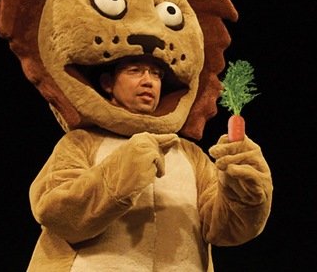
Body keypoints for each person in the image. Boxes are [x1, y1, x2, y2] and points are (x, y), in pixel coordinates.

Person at [27, 56, 273, 271]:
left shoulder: (190, 154)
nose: (149, 81)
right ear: (107, 83)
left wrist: (243, 190)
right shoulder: (81, 142)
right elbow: (58, 214)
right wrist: (125, 168)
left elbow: (225, 229)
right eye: (135, 70)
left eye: (157, 74)